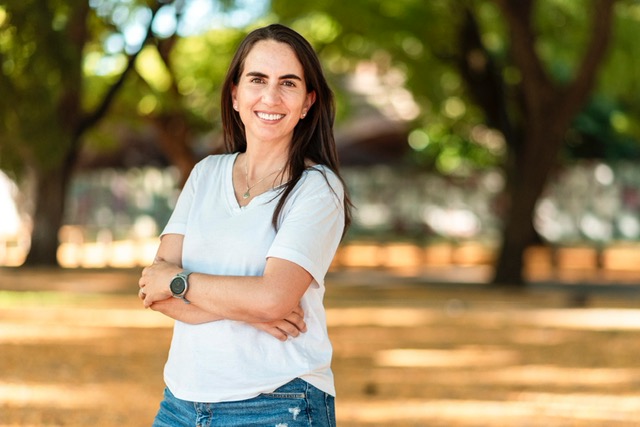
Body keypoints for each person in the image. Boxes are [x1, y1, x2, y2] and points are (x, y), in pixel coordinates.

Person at [138, 23, 351, 426]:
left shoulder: (317, 188)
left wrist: (179, 280)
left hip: (277, 402)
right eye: (257, 79)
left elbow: (273, 300)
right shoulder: (205, 174)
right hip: (180, 404)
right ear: (235, 94)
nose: (270, 96)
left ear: (308, 102)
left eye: (288, 83)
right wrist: (250, 308)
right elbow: (153, 289)